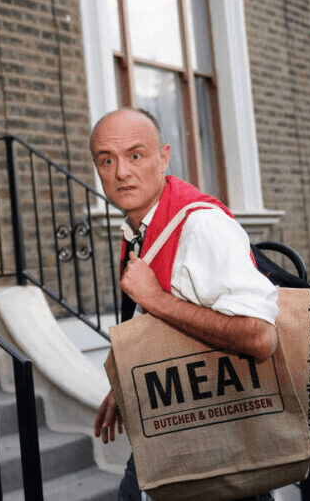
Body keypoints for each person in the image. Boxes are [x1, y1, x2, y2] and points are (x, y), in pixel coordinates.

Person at [90, 108, 280, 501]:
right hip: (172, 430)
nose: (121, 172)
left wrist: (155, 298)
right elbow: (160, 325)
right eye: (107, 160)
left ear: (163, 158)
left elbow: (260, 337)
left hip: (217, 447)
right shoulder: (141, 228)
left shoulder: (201, 225)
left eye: (135, 155)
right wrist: (127, 380)